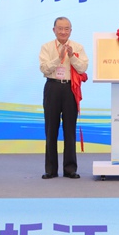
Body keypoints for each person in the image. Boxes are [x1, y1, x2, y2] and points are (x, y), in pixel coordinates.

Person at [38, 17, 88, 179]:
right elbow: (44, 69)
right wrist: (58, 58)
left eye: (66, 29)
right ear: (54, 30)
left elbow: (82, 68)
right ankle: (51, 169)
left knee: (70, 129)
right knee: (51, 129)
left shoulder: (78, 47)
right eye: (60, 28)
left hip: (69, 88)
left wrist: (72, 56)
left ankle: (70, 168)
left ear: (71, 31)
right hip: (52, 87)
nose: (63, 32)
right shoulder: (46, 47)